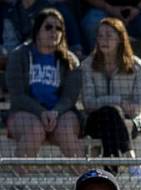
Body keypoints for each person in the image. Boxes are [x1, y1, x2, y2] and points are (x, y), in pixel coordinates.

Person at [4, 8, 83, 158]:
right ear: (37, 30)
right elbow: (18, 96)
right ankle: (19, 181)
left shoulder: (71, 61)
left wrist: (55, 112)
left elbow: (69, 98)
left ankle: (85, 180)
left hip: (61, 113)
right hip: (24, 113)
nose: (54, 31)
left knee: (66, 132)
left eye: (59, 28)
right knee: (35, 130)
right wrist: (41, 112)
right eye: (48, 27)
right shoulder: (18, 55)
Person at [80, 17, 141, 176]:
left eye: (109, 35)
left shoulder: (136, 65)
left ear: (120, 39)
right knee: (110, 113)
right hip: (94, 120)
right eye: (100, 35)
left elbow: (140, 102)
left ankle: (109, 175)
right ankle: (131, 160)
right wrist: (118, 102)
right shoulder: (87, 65)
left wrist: (128, 109)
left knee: (111, 118)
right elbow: (88, 103)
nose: (104, 40)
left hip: (129, 119)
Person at [80, 0, 141, 91]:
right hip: (104, 12)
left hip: (137, 15)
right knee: (91, 24)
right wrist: (111, 9)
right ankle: (96, 79)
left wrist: (137, 10)